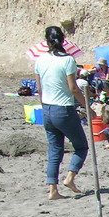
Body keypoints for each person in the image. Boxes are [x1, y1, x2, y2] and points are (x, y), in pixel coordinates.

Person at [34, 25, 89, 200]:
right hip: (63, 108)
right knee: (81, 146)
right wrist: (87, 107)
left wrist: (45, 106)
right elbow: (73, 88)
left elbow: (39, 88)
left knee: (55, 150)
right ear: (63, 40)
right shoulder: (68, 60)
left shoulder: (40, 60)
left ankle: (53, 190)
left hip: (47, 109)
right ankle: (70, 178)